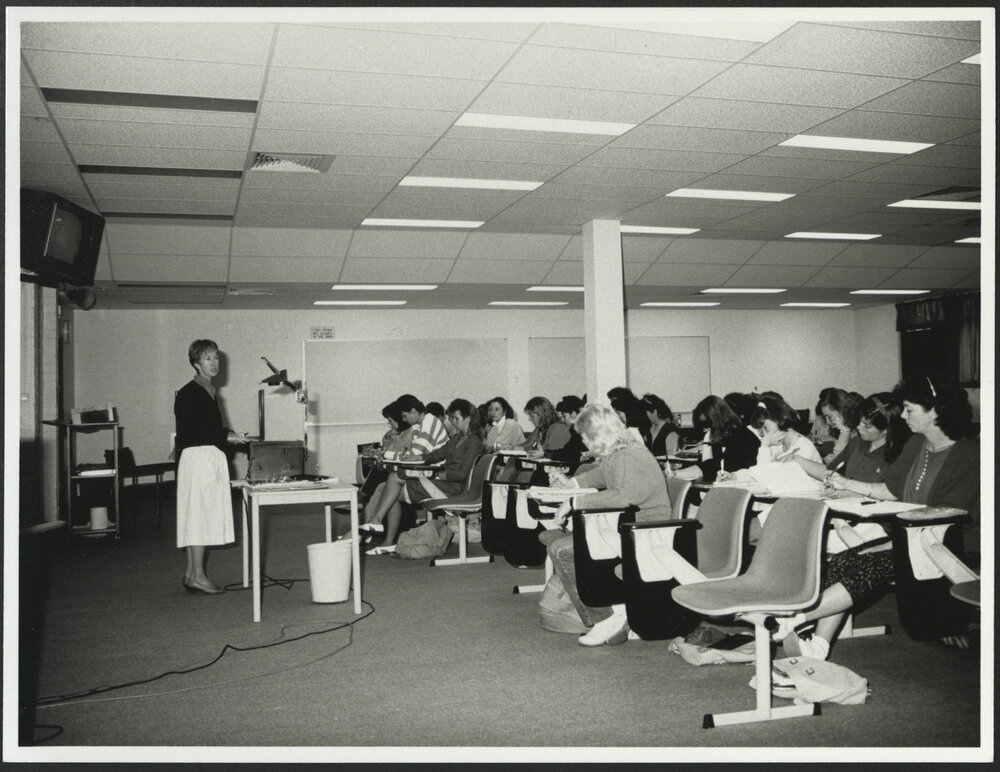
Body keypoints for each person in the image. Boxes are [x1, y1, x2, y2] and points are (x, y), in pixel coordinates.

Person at [777, 377, 980, 659]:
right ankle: (818, 646)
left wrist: (889, 543)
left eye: (910, 409)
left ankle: (795, 617)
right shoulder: (917, 445)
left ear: (935, 411)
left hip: (954, 549)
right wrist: (845, 483)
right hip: (914, 537)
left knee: (873, 562)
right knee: (847, 559)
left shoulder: (968, 455)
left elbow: (943, 521)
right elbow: (889, 490)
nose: (904, 416)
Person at [539, 403, 671, 647]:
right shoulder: (618, 453)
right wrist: (570, 484)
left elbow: (623, 496)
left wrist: (573, 501)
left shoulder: (630, 455)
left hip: (646, 532)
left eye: (585, 437)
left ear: (597, 435)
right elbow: (599, 475)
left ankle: (607, 617)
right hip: (627, 527)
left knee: (563, 550)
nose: (584, 443)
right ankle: (614, 612)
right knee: (564, 546)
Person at [174, 339, 246, 595]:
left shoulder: (209, 390)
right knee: (199, 517)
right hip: (198, 459)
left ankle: (192, 573)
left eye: (216, 358)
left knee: (198, 516)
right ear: (196, 363)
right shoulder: (189, 392)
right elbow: (194, 431)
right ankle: (198, 576)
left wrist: (228, 434)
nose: (214, 363)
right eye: (207, 359)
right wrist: (226, 436)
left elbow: (208, 428)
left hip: (206, 457)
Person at [360, 394, 447, 554]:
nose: (404, 420)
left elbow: (413, 455)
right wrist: (389, 455)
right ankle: (385, 539)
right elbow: (410, 455)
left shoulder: (430, 421)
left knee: (391, 481)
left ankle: (374, 523)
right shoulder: (418, 427)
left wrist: (387, 455)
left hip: (436, 477)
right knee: (389, 488)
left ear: (414, 411)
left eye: (405, 416)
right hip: (425, 472)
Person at [788, 392, 909, 483]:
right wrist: (798, 460)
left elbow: (888, 492)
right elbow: (830, 471)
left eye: (866, 426)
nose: (859, 427)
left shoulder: (900, 453)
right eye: (860, 421)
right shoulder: (857, 442)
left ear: (886, 430)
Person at [689, 395, 761, 482]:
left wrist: (706, 442)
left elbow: (710, 473)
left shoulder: (744, 439)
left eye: (707, 426)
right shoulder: (721, 437)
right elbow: (702, 467)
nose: (705, 430)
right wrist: (675, 474)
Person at [752, 395, 822, 466]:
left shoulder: (804, 447)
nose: (763, 434)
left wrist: (764, 445)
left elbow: (763, 474)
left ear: (776, 419)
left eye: (765, 427)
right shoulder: (775, 447)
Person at [816, 388, 863, 463]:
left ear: (841, 410)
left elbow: (837, 463)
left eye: (830, 416)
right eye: (825, 418)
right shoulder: (845, 431)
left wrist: (845, 431)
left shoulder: (862, 432)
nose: (828, 422)